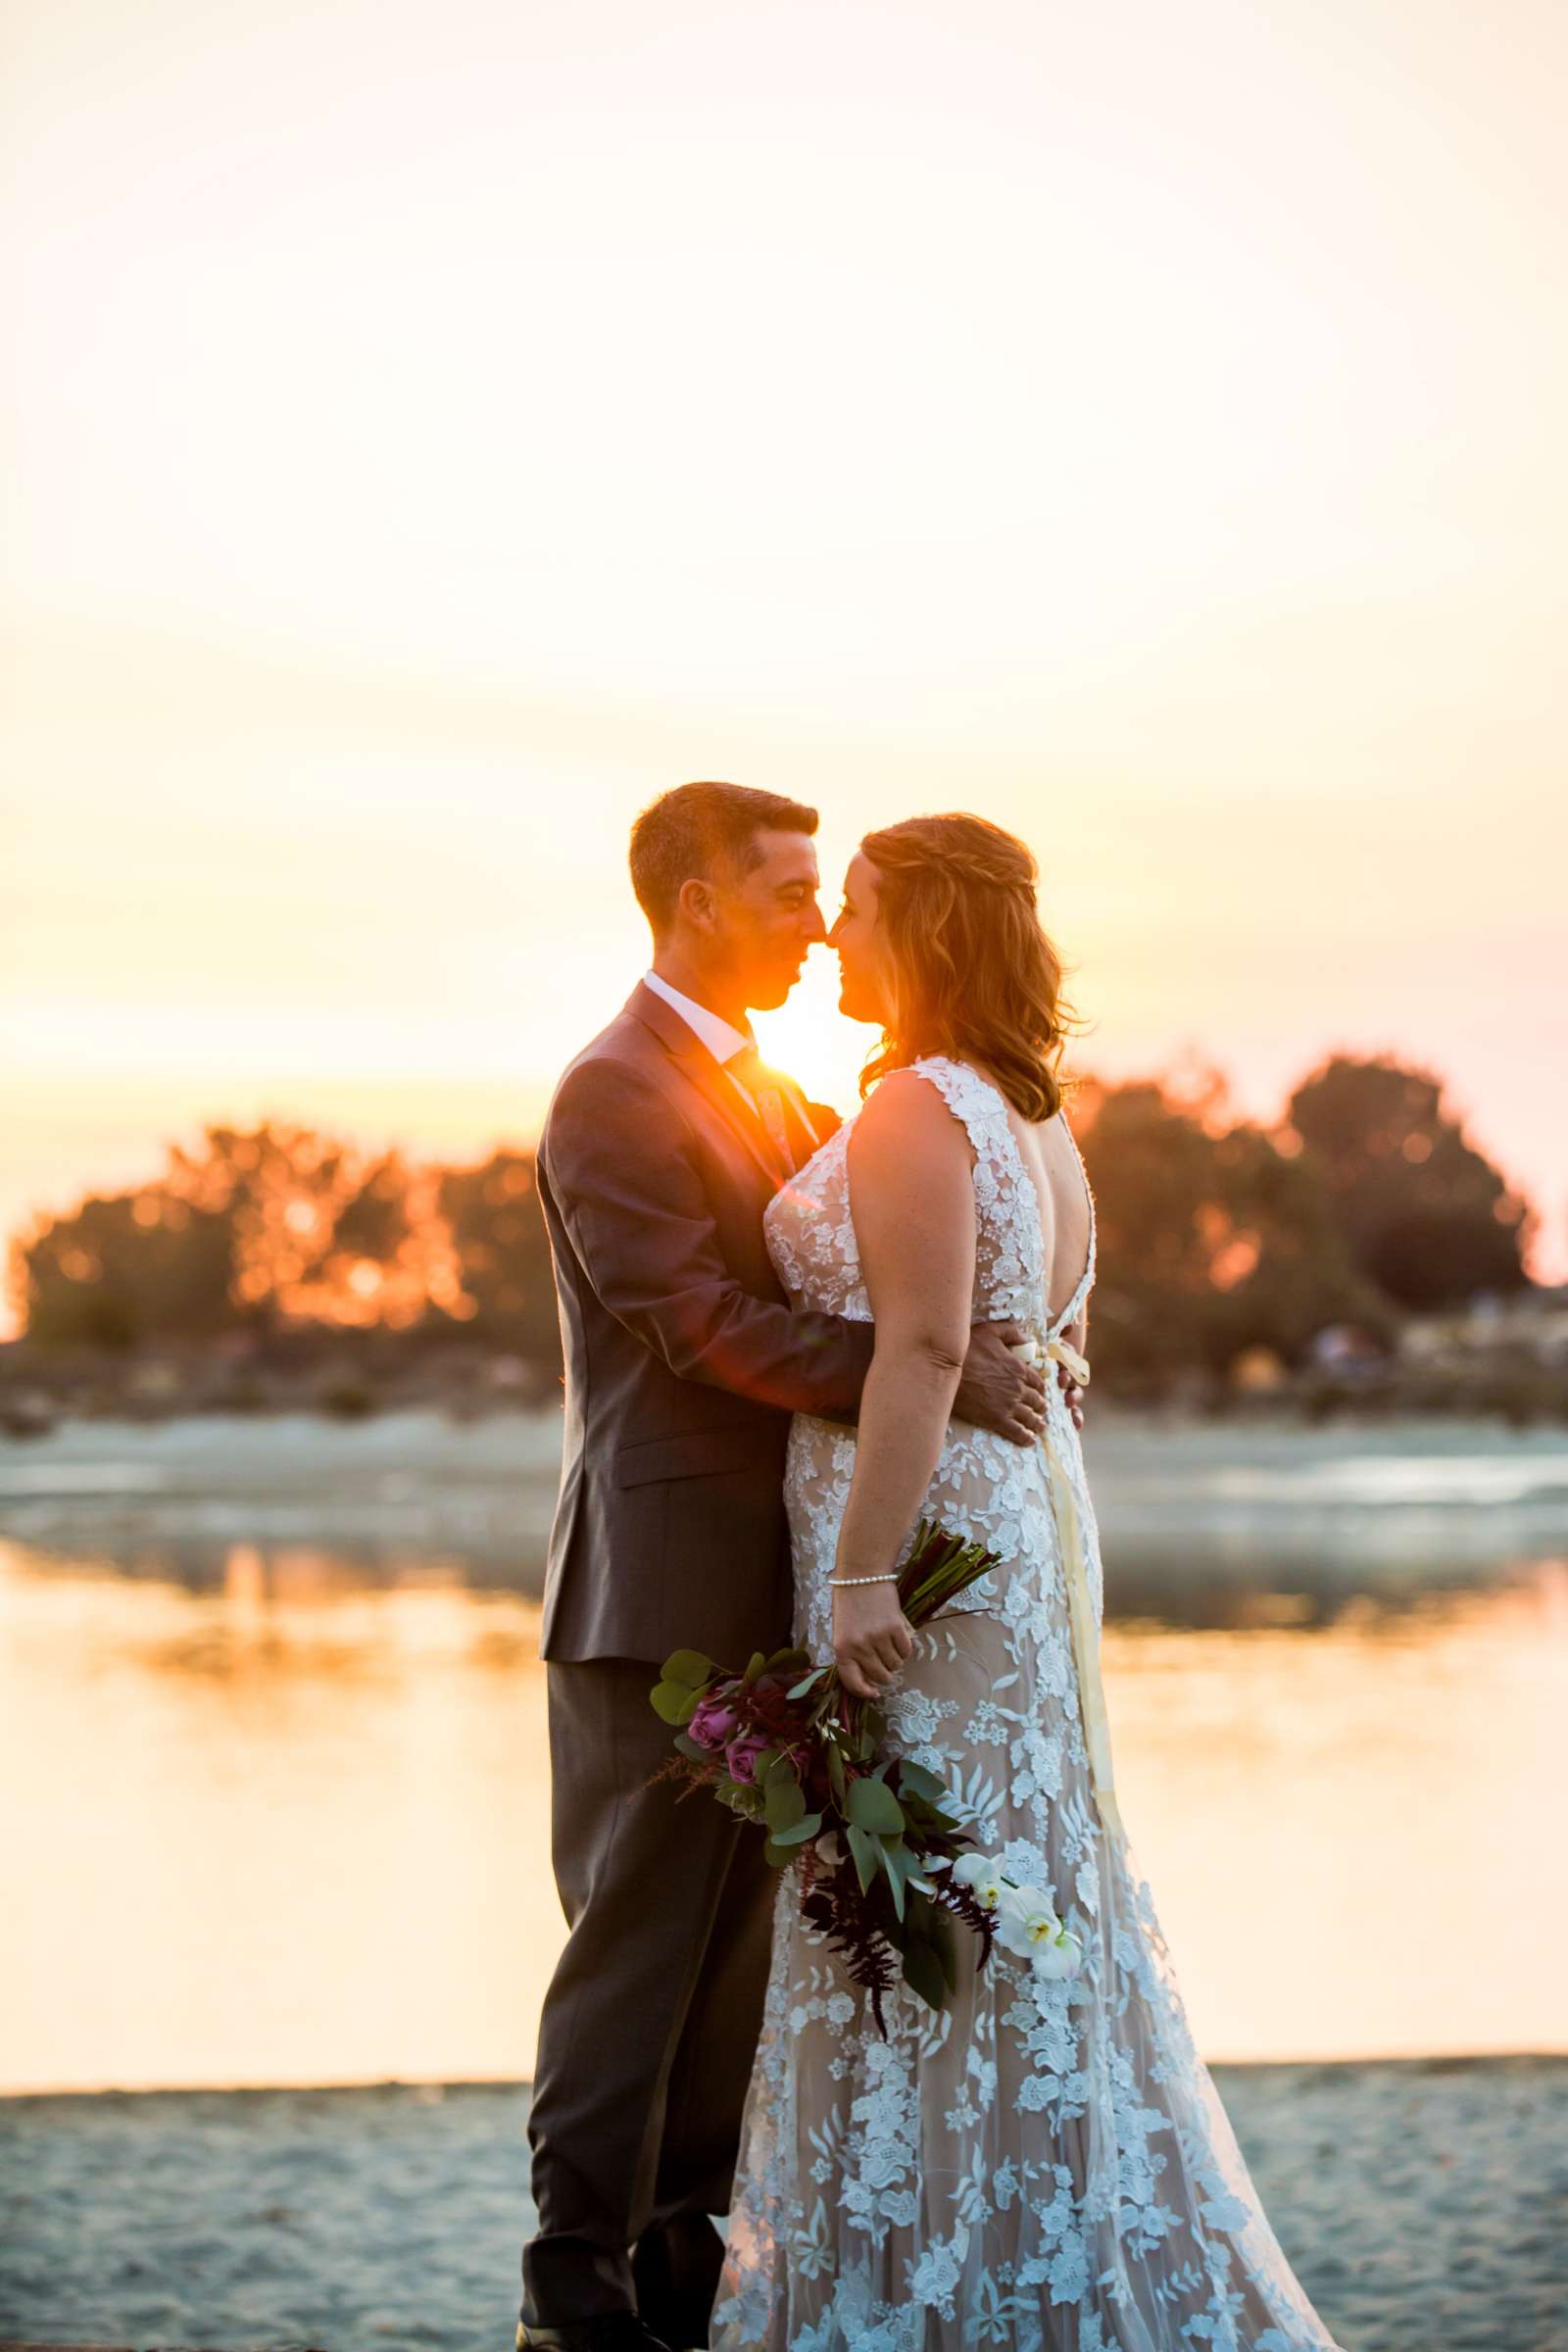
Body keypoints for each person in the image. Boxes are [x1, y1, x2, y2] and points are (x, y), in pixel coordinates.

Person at [711, 813, 1348, 2352]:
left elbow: (927, 1348)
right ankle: (1003, 2232)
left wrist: (865, 1571)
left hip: (934, 1561)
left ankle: (952, 2276)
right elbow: (1044, 1350)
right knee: (1000, 1883)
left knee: (938, 1883)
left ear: (920, 931)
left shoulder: (922, 1109)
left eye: (858, 913)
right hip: (1016, 1529)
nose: (839, 940)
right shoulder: (1034, 1117)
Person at [518, 784, 1072, 2352]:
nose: (818, 920)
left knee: (735, 1959)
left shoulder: (772, 1080)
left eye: (829, 895)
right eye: (783, 894)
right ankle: (571, 2287)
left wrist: (978, 1349)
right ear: (693, 901)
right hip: (653, 1590)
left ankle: (680, 2267)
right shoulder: (612, 1090)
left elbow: (911, 1258)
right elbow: (689, 1320)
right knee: (635, 1943)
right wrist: (924, 1367)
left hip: (775, 1578)